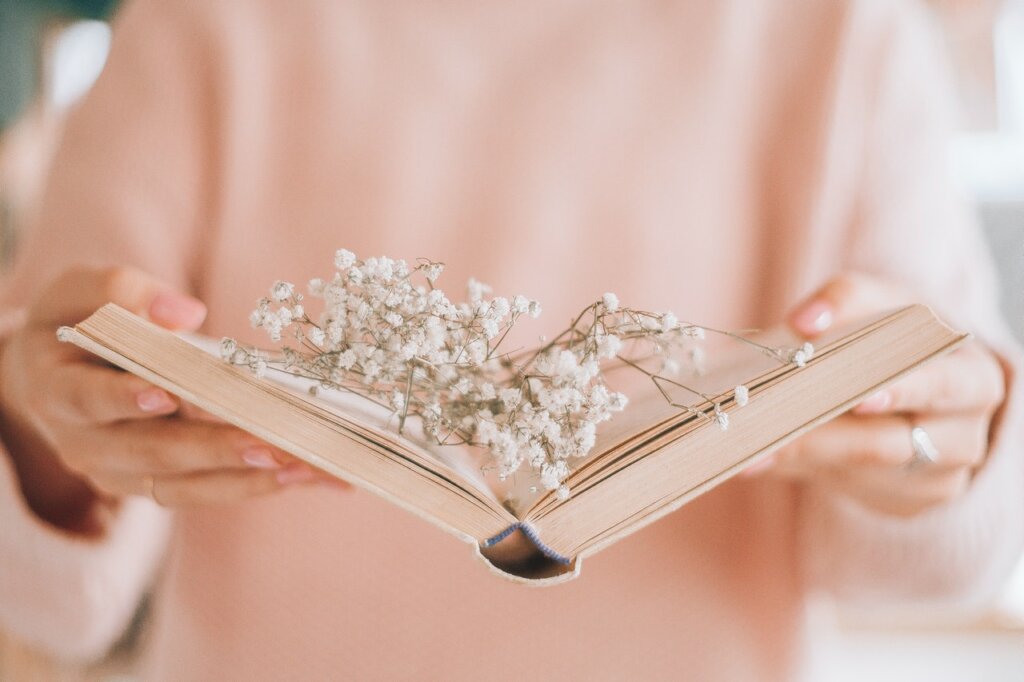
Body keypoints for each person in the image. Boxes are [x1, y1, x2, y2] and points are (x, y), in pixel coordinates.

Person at [0, 0, 1020, 679]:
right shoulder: (202, 20)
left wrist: (925, 452)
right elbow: (50, 598)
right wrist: (46, 434)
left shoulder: (846, 32)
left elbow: (948, 551)